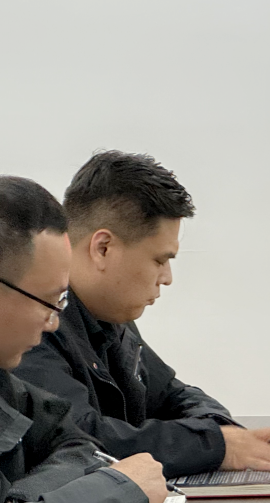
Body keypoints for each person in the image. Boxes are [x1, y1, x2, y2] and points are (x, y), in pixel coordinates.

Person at [15, 151, 270, 479]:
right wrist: (216, 445)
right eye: (159, 260)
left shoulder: (110, 318)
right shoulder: (31, 328)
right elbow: (79, 439)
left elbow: (172, 395)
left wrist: (221, 430)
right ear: (103, 248)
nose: (167, 278)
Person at [0, 175, 167, 503]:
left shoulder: (6, 386)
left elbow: (77, 443)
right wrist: (118, 487)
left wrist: (26, 498)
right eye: (48, 301)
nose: (53, 323)